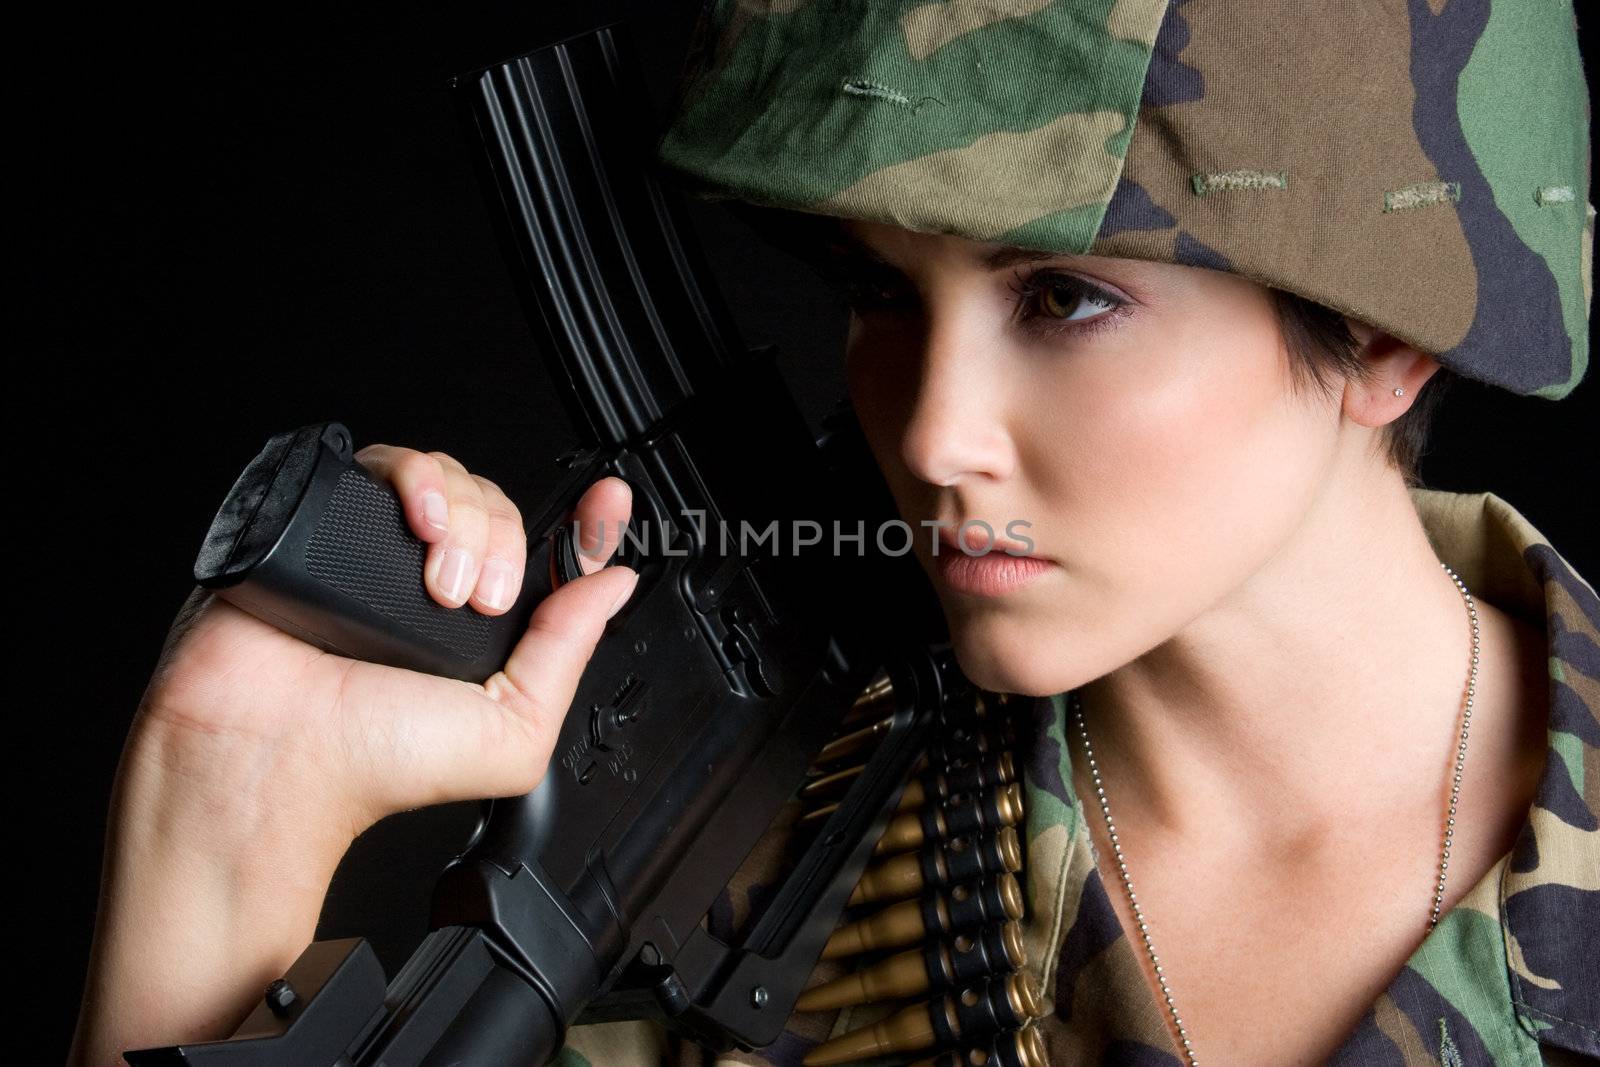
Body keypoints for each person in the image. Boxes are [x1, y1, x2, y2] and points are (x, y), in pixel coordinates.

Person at [71, 3, 1597, 1067]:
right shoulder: (756, 867)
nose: (929, 432)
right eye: (879, 291)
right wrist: (227, 812)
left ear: (1390, 339)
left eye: (1063, 296)